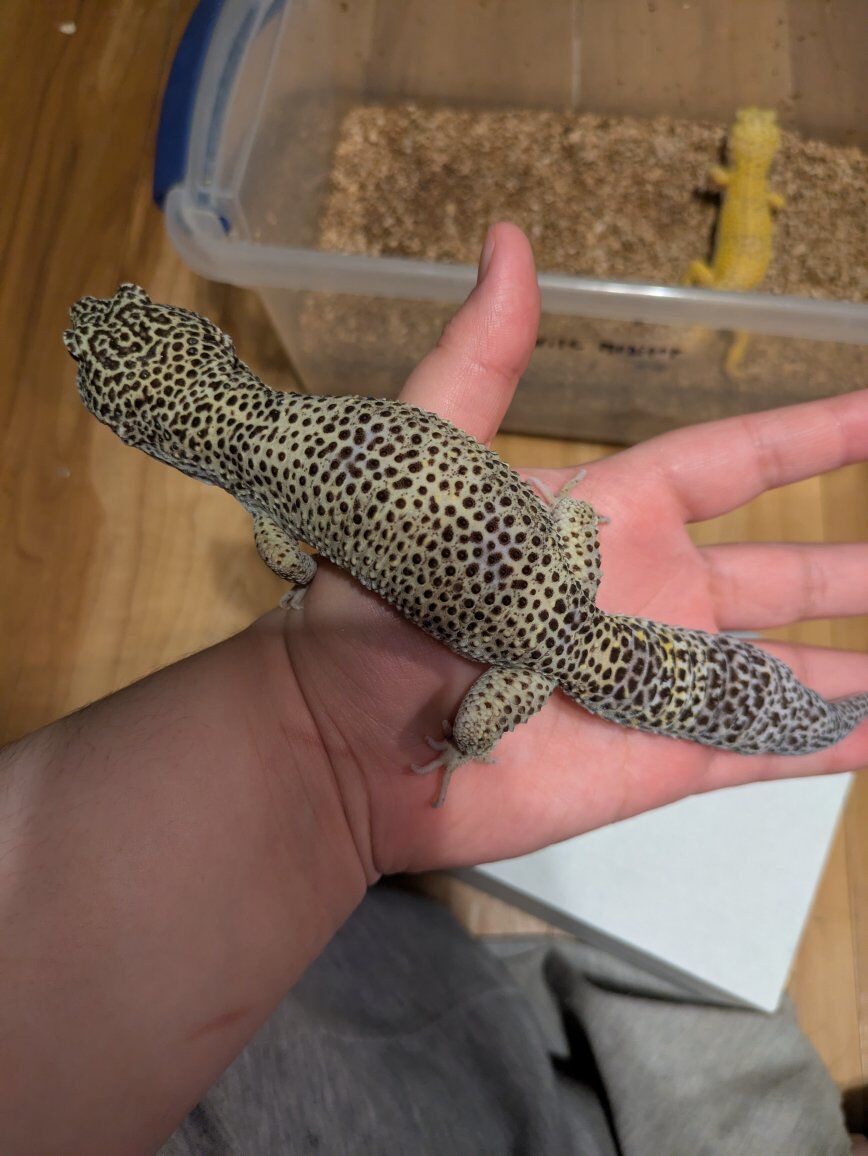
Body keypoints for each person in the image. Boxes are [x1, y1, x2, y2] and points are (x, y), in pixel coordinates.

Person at [1, 224, 866, 1155]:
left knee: (472, 724)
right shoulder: (306, 414)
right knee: (579, 667)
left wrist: (465, 740)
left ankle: (769, 719)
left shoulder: (266, 496)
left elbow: (291, 562)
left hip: (539, 654)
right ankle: (794, 713)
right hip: (562, 574)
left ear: (154, 437)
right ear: (207, 349)